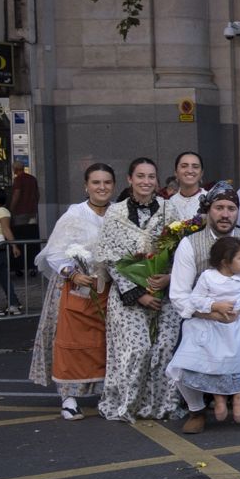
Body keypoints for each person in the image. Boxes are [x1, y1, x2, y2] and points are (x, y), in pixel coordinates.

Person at [167, 185, 240, 432]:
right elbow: (179, 293)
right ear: (208, 210)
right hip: (203, 317)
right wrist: (208, 313)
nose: (225, 214)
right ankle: (196, 410)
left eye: (231, 209)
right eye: (219, 208)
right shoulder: (190, 243)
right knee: (181, 365)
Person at [96, 158, 182, 422]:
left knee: (165, 346)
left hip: (163, 292)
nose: (146, 182)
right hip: (128, 296)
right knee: (138, 349)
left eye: (151, 177)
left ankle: (161, 405)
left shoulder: (170, 210)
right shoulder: (115, 214)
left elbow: (181, 251)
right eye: (141, 176)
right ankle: (128, 404)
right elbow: (110, 259)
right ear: (129, 180)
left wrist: (168, 278)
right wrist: (139, 294)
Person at [31, 163, 115, 421]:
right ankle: (69, 397)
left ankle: (104, 393)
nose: (101, 187)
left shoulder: (117, 214)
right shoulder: (74, 215)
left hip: (107, 289)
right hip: (74, 286)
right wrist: (73, 273)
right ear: (86, 186)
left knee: (103, 344)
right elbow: (54, 252)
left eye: (107, 182)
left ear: (114, 186)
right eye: (96, 182)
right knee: (71, 343)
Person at [165, 235, 240, 425]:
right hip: (212, 327)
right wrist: (214, 305)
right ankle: (218, 400)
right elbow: (196, 298)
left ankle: (238, 400)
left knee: (236, 363)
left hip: (235, 328)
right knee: (215, 364)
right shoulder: (208, 277)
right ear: (225, 262)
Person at [163, 151, 207, 222]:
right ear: (176, 172)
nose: (190, 170)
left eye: (195, 167)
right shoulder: (170, 204)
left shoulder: (210, 200)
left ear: (201, 173)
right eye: (184, 166)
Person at [8, 162, 39, 245]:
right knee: (31, 232)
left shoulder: (18, 179)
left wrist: (11, 208)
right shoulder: (32, 178)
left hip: (20, 211)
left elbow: (16, 194)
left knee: (20, 233)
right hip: (32, 211)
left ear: (15, 169)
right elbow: (37, 194)